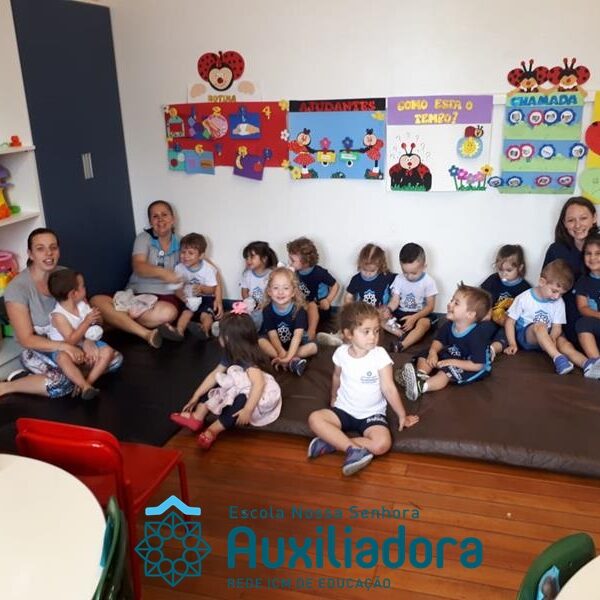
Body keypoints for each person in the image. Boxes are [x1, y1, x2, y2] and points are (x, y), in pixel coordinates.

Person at [0, 228, 120, 398]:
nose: (49, 253)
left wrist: (88, 341)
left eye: (53, 247)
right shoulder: (18, 288)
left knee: (115, 359)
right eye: (40, 248)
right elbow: (26, 339)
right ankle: (8, 386)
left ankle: (78, 380)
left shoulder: (66, 274)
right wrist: (65, 347)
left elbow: (84, 314)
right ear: (30, 254)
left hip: (75, 342)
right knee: (61, 384)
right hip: (40, 349)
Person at [90, 200, 224, 347]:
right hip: (135, 294)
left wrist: (218, 298)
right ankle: (145, 333)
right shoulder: (143, 238)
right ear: (150, 222)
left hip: (163, 299)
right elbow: (138, 266)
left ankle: (116, 320)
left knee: (169, 314)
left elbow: (210, 268)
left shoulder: (183, 243)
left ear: (173, 219)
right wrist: (163, 273)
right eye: (155, 216)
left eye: (164, 215)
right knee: (96, 301)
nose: (160, 219)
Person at [307, 302, 419, 476]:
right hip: (343, 409)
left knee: (382, 445)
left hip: (372, 414)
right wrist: (333, 398)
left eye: (376, 331)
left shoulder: (380, 355)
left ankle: (334, 442)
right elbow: (336, 377)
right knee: (315, 419)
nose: (373, 337)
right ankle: (353, 449)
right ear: (348, 334)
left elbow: (389, 388)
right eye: (366, 331)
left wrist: (402, 415)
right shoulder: (341, 353)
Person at [169, 305, 282, 449]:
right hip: (242, 383)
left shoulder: (249, 360)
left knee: (241, 401)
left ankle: (213, 430)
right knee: (219, 381)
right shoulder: (230, 353)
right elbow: (213, 376)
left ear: (228, 339)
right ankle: (197, 416)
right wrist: (195, 397)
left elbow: (259, 385)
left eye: (221, 334)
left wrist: (248, 410)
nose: (218, 337)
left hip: (257, 393)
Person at [398, 284, 493, 401]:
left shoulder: (477, 336)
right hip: (452, 354)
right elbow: (439, 341)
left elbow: (478, 365)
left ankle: (422, 386)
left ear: (470, 314)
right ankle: (419, 375)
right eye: (451, 300)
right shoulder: (449, 325)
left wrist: (452, 362)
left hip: (471, 364)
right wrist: (433, 352)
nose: (450, 304)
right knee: (426, 353)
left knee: (447, 372)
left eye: (456, 303)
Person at [504, 259, 598, 377]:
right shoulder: (524, 298)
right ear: (542, 282)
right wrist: (512, 343)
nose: (556, 296)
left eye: (561, 293)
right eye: (554, 291)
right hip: (528, 336)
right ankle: (559, 359)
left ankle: (587, 365)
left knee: (565, 344)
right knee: (539, 325)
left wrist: (553, 337)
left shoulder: (558, 302)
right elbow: (510, 322)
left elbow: (557, 327)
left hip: (549, 334)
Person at [46, 269, 117, 399]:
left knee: (108, 351)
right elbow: (70, 341)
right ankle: (83, 385)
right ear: (73, 294)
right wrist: (87, 321)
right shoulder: (58, 316)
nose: (86, 288)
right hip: (66, 348)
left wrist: (96, 319)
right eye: (83, 286)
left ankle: (88, 383)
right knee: (62, 359)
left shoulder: (82, 304)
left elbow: (97, 323)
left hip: (84, 342)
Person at [543, 196, 599, 344]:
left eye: (583, 218)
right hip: (566, 317)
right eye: (571, 220)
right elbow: (545, 287)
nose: (577, 225)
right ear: (564, 223)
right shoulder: (556, 250)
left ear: (594, 218)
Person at [316, 243, 394, 347]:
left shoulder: (386, 277)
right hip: (361, 313)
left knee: (385, 323)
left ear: (380, 267)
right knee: (351, 321)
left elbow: (396, 292)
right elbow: (348, 296)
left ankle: (399, 339)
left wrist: (388, 309)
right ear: (360, 265)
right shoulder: (356, 279)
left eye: (372, 271)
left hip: (378, 313)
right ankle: (339, 336)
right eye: (364, 270)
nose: (368, 273)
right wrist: (349, 307)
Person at [258, 267, 318, 376]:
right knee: (260, 341)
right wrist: (282, 353)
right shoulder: (267, 310)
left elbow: (297, 336)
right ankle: (292, 361)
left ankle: (287, 359)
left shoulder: (299, 309)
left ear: (293, 292)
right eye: (276, 288)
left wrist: (288, 357)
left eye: (285, 288)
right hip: (276, 344)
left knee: (313, 347)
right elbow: (273, 336)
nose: (280, 292)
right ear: (269, 291)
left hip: (295, 343)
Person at [383, 243, 438, 353]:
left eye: (413, 273)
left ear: (424, 267)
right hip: (401, 313)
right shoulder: (399, 279)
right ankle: (399, 333)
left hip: (419, 314)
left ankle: (402, 345)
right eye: (405, 272)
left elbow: (430, 307)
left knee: (424, 323)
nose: (409, 276)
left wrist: (414, 318)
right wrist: (388, 309)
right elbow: (395, 301)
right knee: (379, 317)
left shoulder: (428, 282)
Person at [480, 244, 531, 359]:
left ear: (520, 268)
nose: (504, 273)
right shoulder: (493, 280)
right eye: (500, 270)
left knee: (504, 335)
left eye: (509, 270)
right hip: (492, 319)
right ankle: (475, 347)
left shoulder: (524, 288)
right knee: (483, 328)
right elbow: (483, 297)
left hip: (509, 325)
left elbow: (527, 311)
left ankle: (492, 350)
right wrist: (487, 312)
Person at [167, 232, 218, 341]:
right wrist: (183, 298)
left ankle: (204, 330)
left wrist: (202, 288)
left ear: (201, 255)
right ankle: (179, 331)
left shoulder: (208, 269)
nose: (185, 256)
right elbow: (177, 288)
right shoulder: (179, 268)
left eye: (190, 253)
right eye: (183, 252)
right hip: (190, 299)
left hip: (206, 298)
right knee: (186, 313)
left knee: (206, 315)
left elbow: (212, 289)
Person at [286, 237, 339, 340]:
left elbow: (335, 285)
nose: (290, 263)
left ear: (305, 261)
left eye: (293, 261)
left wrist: (328, 300)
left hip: (319, 308)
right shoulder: (295, 272)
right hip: (303, 305)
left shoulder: (319, 273)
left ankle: (311, 333)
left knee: (311, 305)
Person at [573, 233, 600, 377]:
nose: (592, 257)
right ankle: (597, 363)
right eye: (588, 253)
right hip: (595, 324)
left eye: (598, 253)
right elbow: (582, 308)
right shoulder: (583, 281)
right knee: (582, 324)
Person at [239, 240, 278, 331]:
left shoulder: (272, 274)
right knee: (239, 312)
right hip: (252, 305)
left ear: (264, 258)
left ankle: (255, 331)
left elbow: (275, 293)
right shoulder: (247, 274)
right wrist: (248, 302)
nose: (248, 260)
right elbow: (244, 291)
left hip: (267, 305)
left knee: (262, 314)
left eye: (252, 257)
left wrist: (265, 303)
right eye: (247, 257)